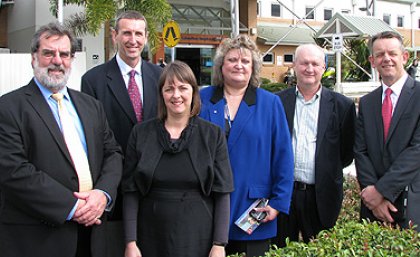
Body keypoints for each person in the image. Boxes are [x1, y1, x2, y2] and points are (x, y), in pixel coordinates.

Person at [0, 22, 123, 257]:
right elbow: (13, 171)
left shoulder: (91, 105)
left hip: (93, 236)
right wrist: (73, 207)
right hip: (39, 239)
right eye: (48, 53)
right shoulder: (8, 108)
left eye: (64, 54)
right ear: (34, 57)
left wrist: (102, 195)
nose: (57, 60)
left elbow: (113, 153)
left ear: (71, 59)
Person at [122, 60, 234, 257]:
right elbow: (130, 192)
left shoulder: (212, 135)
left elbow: (222, 193)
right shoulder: (140, 134)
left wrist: (219, 244)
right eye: (169, 89)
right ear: (161, 94)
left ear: (193, 93)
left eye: (183, 88)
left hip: (199, 238)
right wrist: (131, 243)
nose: (176, 95)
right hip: (150, 237)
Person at [199, 35, 294, 257]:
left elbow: (283, 156)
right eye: (232, 60)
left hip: (252, 210)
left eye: (245, 61)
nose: (238, 65)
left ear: (254, 68)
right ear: (221, 66)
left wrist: (278, 203)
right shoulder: (201, 99)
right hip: (207, 208)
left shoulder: (270, 103)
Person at [81, 10, 162, 256]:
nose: (133, 40)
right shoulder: (93, 80)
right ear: (114, 35)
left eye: (139, 33)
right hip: (113, 188)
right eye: (126, 32)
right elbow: (91, 139)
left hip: (155, 187)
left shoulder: (160, 77)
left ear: (146, 37)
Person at [273, 44, 356, 246]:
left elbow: (346, 153)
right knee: (280, 249)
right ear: (294, 65)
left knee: (320, 248)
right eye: (304, 63)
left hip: (321, 195)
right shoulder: (276, 102)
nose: (309, 68)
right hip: (284, 195)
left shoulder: (343, 106)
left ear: (323, 67)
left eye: (315, 64)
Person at [355, 31, 420, 232]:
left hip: (411, 203)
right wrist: (372, 197)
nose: (387, 59)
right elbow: (361, 151)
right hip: (372, 210)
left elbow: (417, 150)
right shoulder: (366, 103)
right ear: (372, 61)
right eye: (380, 54)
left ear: (404, 57)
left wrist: (381, 191)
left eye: (392, 53)